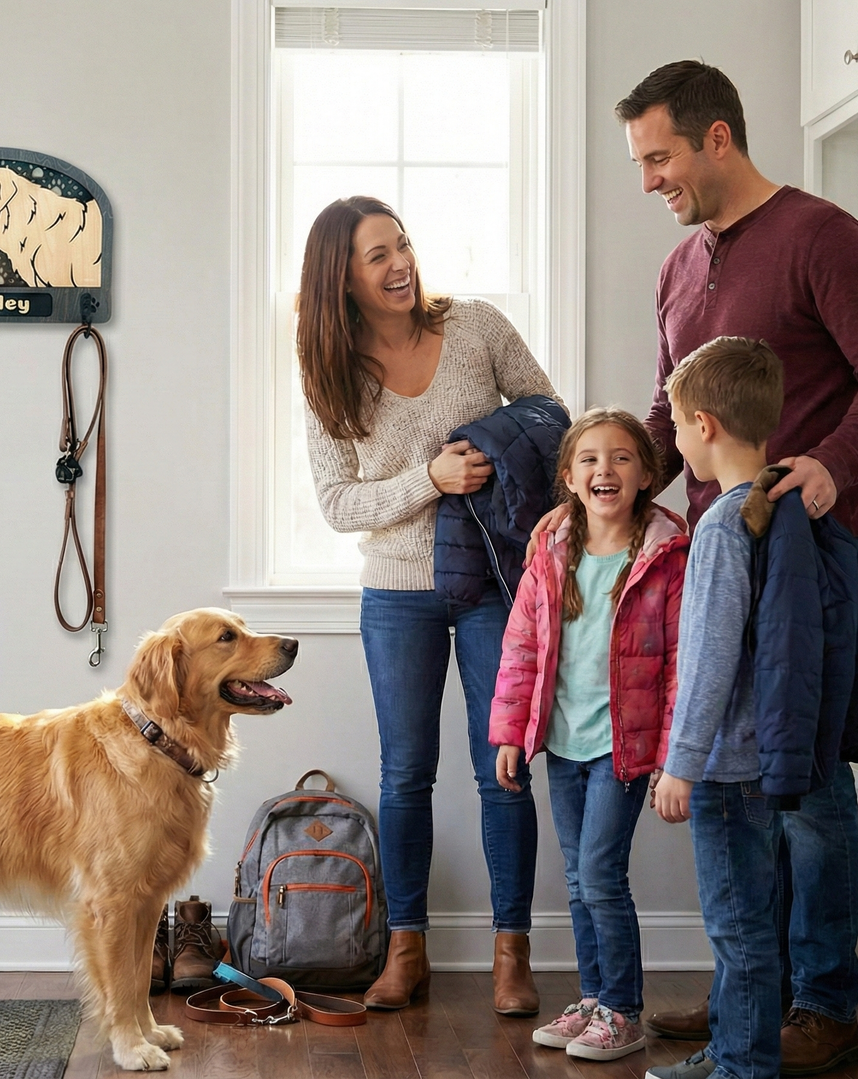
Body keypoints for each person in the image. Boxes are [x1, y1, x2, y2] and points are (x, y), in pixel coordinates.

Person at [533, 60, 858, 1075]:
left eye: (658, 156)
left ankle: (822, 1002)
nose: (648, 178)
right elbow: (669, 419)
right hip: (711, 556)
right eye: (638, 161)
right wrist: (603, 496)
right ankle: (750, 996)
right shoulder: (677, 270)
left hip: (808, 550)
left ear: (716, 138)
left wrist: (833, 467)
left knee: (807, 782)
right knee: (739, 783)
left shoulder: (820, 238)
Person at [300, 196, 563, 1015]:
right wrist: (431, 479)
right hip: (396, 594)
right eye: (376, 256)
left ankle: (510, 954)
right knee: (405, 776)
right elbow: (337, 502)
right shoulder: (328, 375)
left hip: (491, 583)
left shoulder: (477, 327)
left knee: (504, 771)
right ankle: (404, 948)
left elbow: (553, 415)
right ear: (339, 281)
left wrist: (490, 447)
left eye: (401, 245)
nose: (398, 264)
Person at [489, 407, 688, 1062]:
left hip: (621, 746)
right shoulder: (550, 551)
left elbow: (679, 664)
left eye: (622, 456)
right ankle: (595, 997)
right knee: (577, 877)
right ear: (570, 476)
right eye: (590, 458)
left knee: (600, 871)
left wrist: (669, 755)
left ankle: (624, 1008)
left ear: (646, 474)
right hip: (563, 742)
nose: (605, 468)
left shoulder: (665, 554)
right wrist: (512, 731)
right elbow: (521, 648)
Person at [648, 337, 788, 1079]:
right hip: (766, 755)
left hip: (727, 766)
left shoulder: (720, 525)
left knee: (736, 929)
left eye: (672, 426)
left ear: (703, 424)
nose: (672, 441)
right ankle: (738, 1053)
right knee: (754, 926)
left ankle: (741, 1067)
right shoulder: (776, 501)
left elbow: (708, 658)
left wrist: (681, 762)